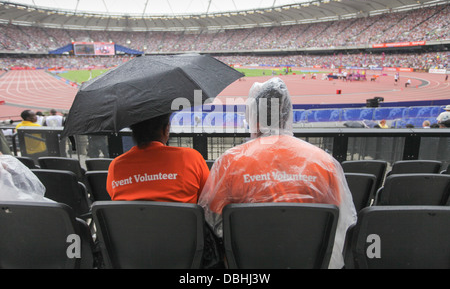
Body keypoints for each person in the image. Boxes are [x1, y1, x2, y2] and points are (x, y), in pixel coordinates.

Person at [198, 77, 357, 269]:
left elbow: (213, 217)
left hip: (247, 263)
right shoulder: (324, 163)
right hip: (306, 261)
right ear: (287, 113)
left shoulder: (230, 162)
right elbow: (339, 220)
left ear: (254, 115)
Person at [106, 113, 209, 203]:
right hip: (181, 225)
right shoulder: (191, 158)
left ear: (134, 131)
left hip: (131, 225)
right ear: (166, 129)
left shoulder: (116, 166)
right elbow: (209, 199)